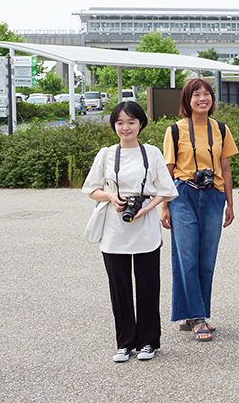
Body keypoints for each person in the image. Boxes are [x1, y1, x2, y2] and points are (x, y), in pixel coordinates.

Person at [82, 102, 178, 362]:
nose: (126, 127)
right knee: (119, 288)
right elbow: (91, 189)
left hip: (144, 227)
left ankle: (149, 342)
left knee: (148, 285)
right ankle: (124, 342)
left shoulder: (152, 153)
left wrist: (147, 209)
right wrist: (111, 196)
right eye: (120, 123)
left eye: (131, 122)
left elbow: (167, 190)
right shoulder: (106, 154)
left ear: (141, 124)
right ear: (114, 126)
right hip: (114, 228)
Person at [160, 78, 238, 342]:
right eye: (196, 94)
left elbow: (226, 169)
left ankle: (196, 312)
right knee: (187, 256)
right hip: (183, 194)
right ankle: (197, 317)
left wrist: (230, 202)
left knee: (207, 259)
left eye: (207, 94)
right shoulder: (175, 130)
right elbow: (167, 172)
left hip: (213, 196)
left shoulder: (222, 129)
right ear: (187, 100)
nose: (202, 98)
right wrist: (164, 207)